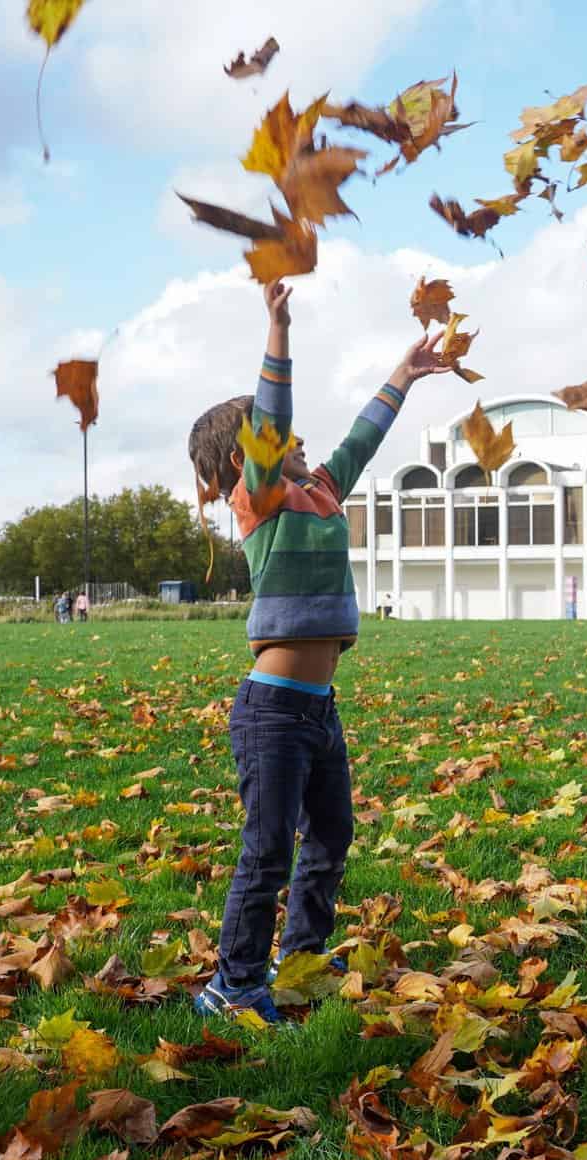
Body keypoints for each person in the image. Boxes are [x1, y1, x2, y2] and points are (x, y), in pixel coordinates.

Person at [185, 278, 443, 1025]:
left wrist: (405, 372)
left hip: (317, 709)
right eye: (277, 441)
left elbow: (364, 437)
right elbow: (274, 416)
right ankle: (231, 985)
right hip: (271, 710)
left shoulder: (323, 492)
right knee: (268, 849)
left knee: (331, 835)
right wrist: (278, 331)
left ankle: (297, 961)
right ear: (249, 459)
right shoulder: (257, 502)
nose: (297, 441)